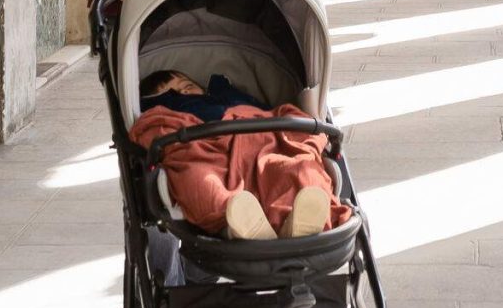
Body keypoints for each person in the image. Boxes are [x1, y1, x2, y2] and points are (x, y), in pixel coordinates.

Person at [128, 67, 345, 241]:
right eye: (171, 94)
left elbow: (272, 114)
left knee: (297, 167)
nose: (183, 93)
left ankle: (298, 217)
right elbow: (153, 128)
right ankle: (237, 224)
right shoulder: (167, 113)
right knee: (199, 178)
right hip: (205, 148)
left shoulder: (226, 96)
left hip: (261, 138)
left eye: (188, 87)